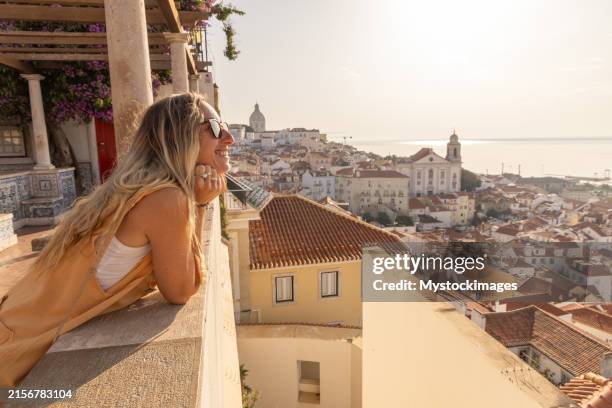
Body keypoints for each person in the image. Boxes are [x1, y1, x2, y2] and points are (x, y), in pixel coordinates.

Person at [0, 92, 234, 386]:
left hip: (13, 326)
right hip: (14, 354)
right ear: (181, 138)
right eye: (214, 127)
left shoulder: (133, 191)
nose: (229, 138)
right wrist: (199, 205)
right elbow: (181, 290)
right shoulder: (166, 199)